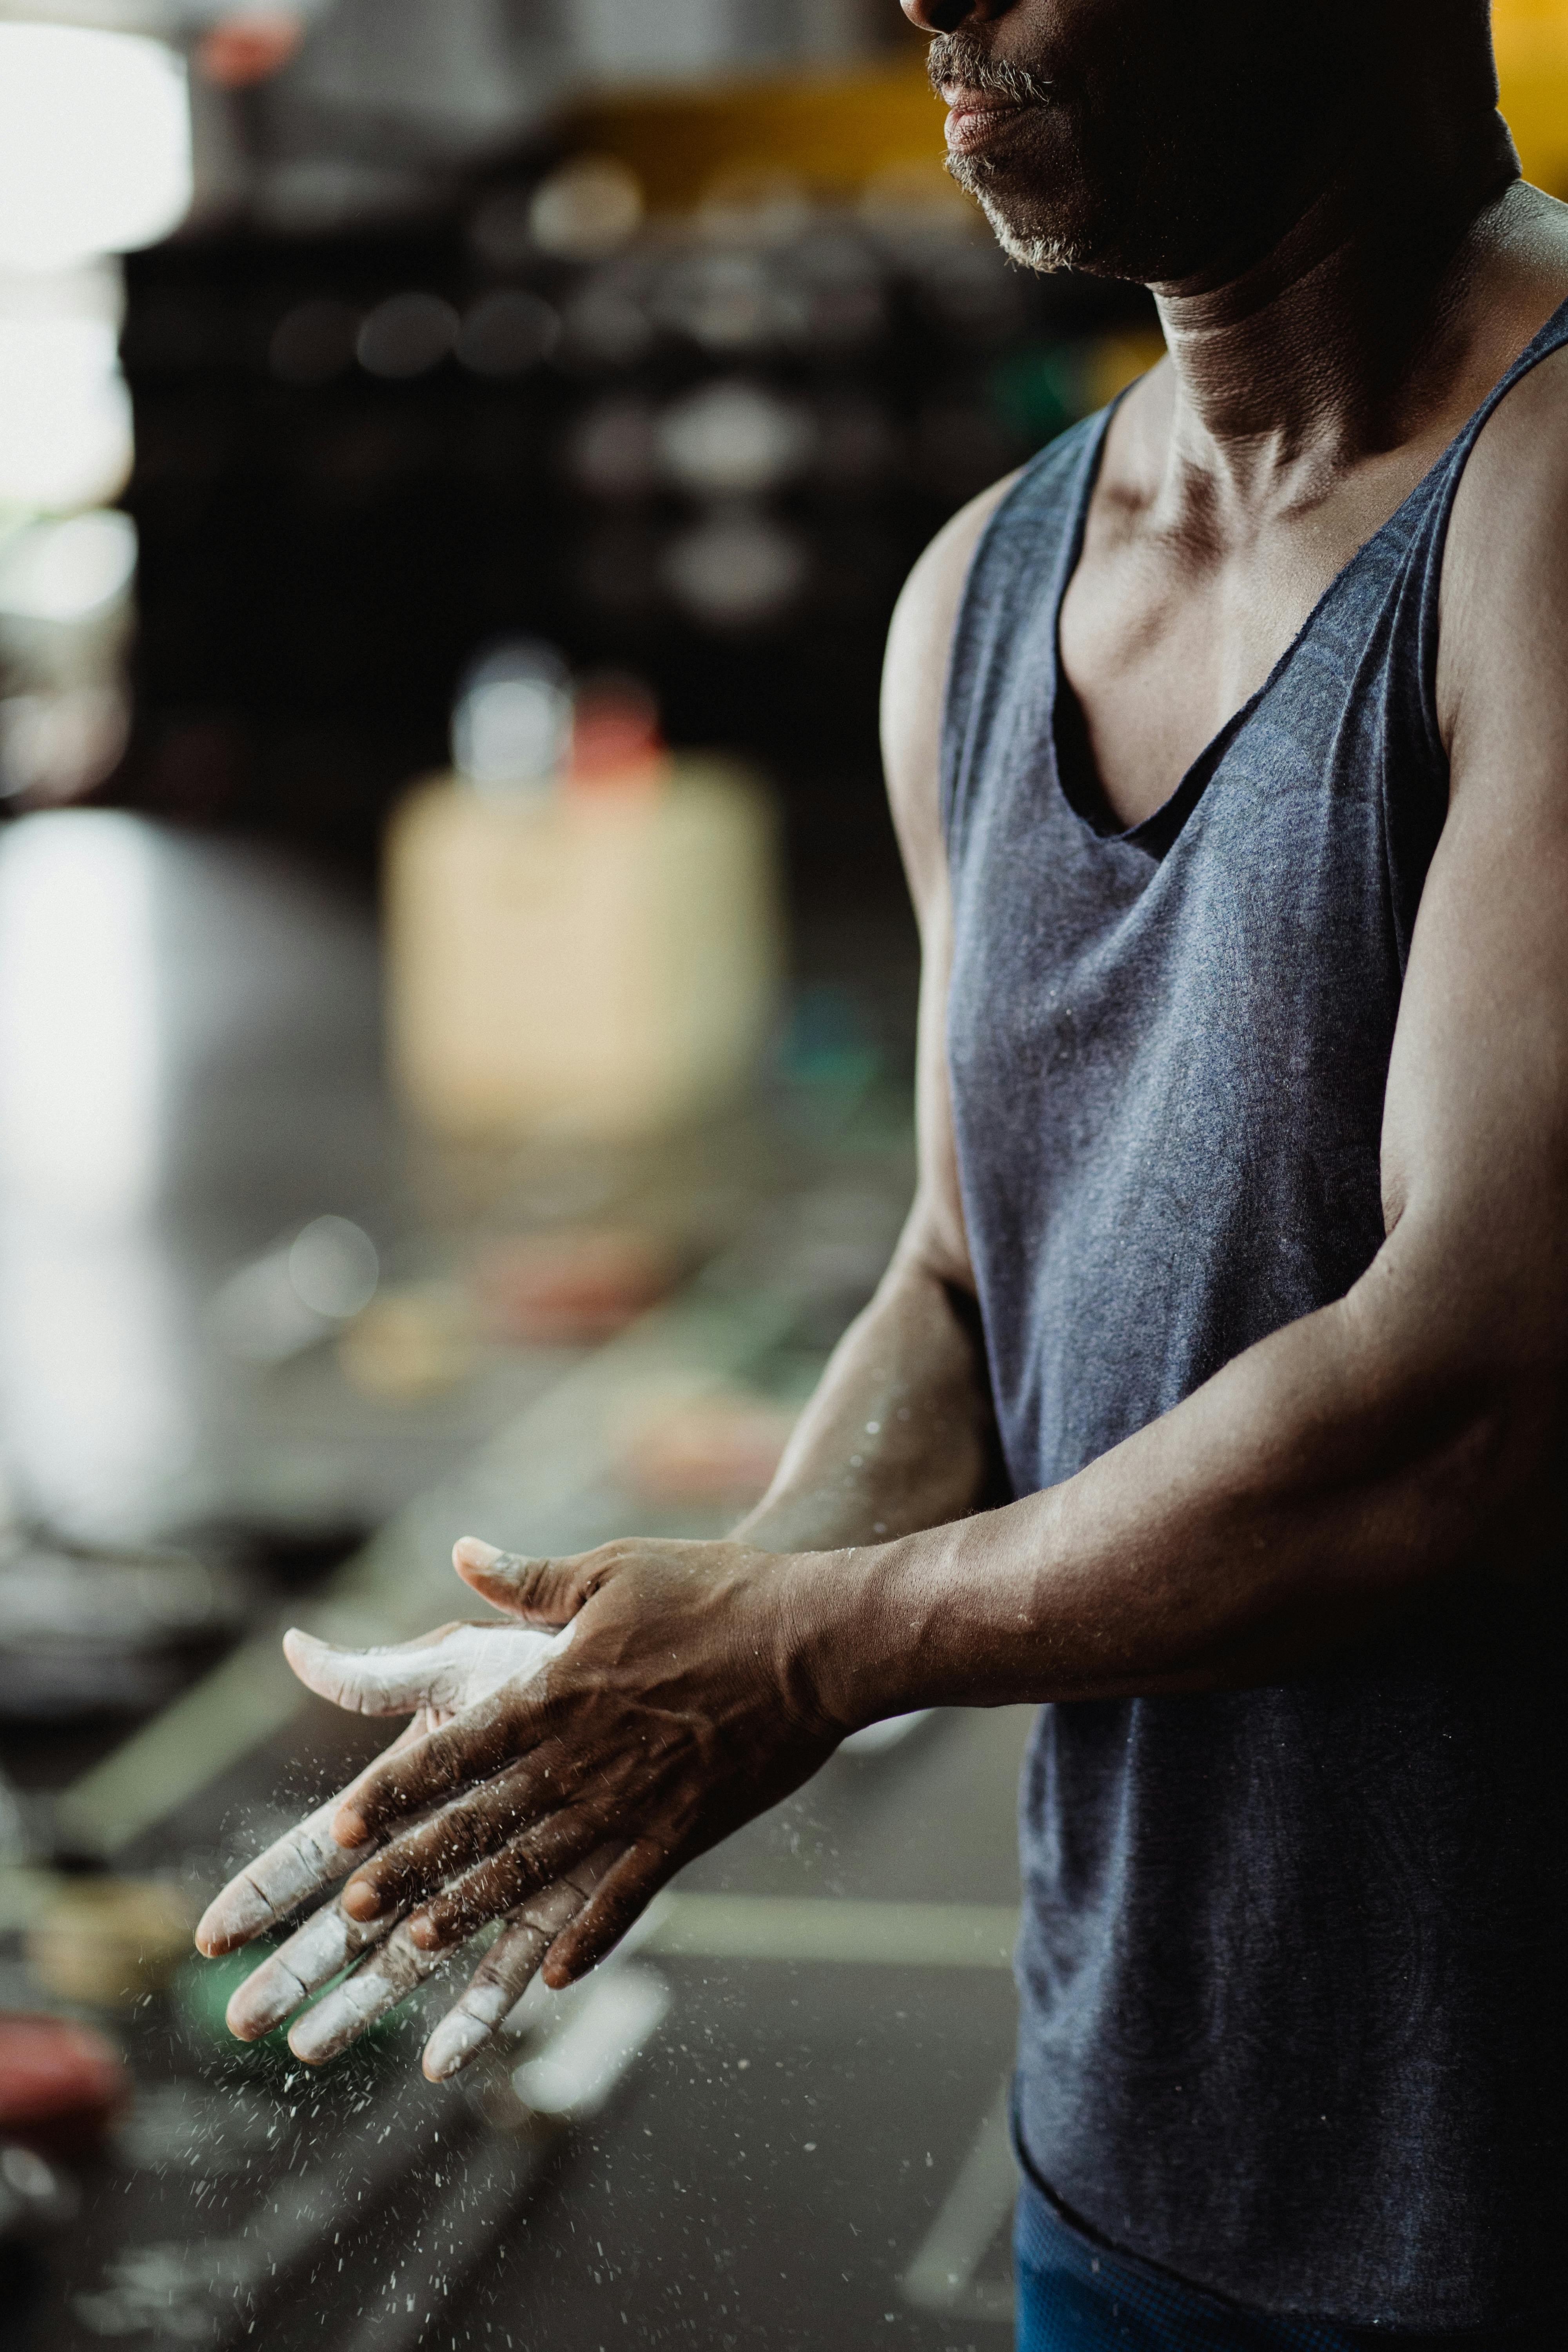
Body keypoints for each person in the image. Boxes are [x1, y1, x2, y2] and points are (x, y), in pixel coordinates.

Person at [223, 1, 1568, 2340]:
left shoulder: (1546, 504)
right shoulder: (982, 587)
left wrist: (806, 1655)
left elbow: (1476, 1398)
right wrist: (676, 1662)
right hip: (1140, 2145)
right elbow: (967, 1281)